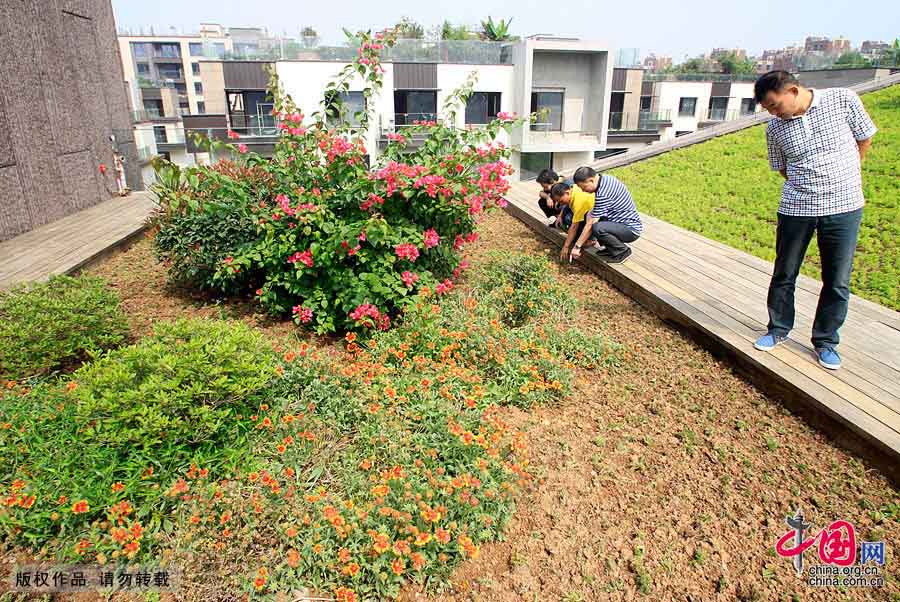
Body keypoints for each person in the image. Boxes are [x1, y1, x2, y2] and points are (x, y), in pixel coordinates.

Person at [752, 70, 877, 371]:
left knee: (837, 279)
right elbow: (781, 167)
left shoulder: (843, 100)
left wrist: (846, 173)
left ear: (792, 91)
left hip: (844, 205)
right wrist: (805, 183)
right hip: (797, 207)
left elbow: (864, 138)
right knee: (785, 272)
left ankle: (826, 341)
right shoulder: (775, 129)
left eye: (774, 105)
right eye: (767, 109)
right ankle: (778, 328)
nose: (772, 112)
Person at [568, 166, 642, 264]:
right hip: (620, 222)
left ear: (591, 180)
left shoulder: (603, 193)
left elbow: (590, 224)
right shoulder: (605, 179)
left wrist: (577, 247)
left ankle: (622, 251)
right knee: (591, 217)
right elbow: (594, 211)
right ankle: (612, 249)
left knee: (597, 227)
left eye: (584, 187)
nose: (583, 191)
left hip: (630, 230)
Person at [550, 181, 599, 261]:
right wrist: (560, 215)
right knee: (567, 220)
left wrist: (566, 247)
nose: (561, 204)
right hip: (587, 212)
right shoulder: (573, 188)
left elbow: (574, 227)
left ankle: (591, 239)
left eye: (561, 201)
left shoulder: (579, 202)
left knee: (571, 226)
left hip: (596, 218)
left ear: (567, 192)